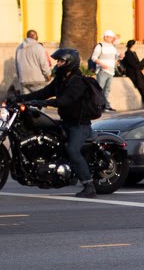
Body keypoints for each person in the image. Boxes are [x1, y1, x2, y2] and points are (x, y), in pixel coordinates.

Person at [19, 49, 98, 198]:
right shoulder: (61, 79)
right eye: (57, 61)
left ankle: (89, 186)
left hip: (79, 125)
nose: (58, 64)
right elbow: (43, 92)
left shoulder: (78, 81)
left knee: (73, 150)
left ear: (69, 62)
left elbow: (65, 101)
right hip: (66, 122)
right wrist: (20, 98)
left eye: (60, 61)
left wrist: (45, 103)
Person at [15, 29, 52, 94]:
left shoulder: (19, 48)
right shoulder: (39, 47)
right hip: (38, 80)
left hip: (24, 80)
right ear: (35, 36)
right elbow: (43, 64)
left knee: (26, 101)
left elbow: (17, 65)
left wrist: (20, 77)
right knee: (39, 100)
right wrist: (48, 75)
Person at [90, 30, 119, 111]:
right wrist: (102, 64)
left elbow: (116, 56)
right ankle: (97, 106)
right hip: (102, 71)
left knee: (107, 90)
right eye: (110, 37)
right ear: (105, 37)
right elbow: (94, 57)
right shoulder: (100, 46)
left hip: (111, 71)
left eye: (112, 37)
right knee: (99, 89)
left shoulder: (113, 47)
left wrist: (120, 56)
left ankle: (106, 106)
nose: (111, 39)